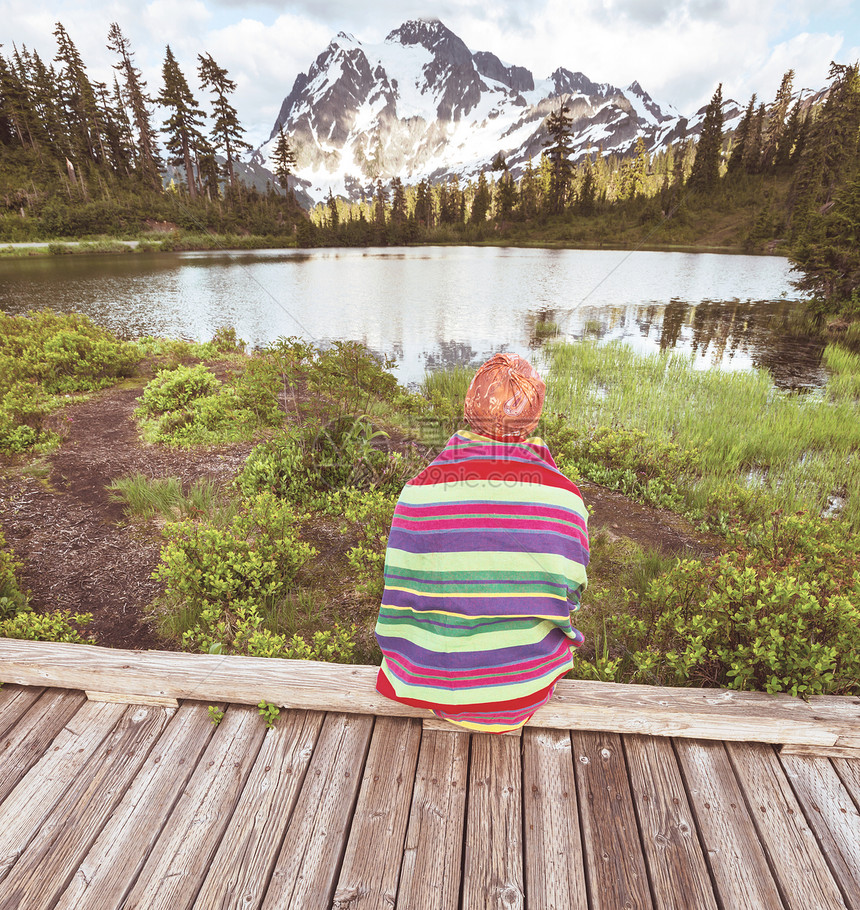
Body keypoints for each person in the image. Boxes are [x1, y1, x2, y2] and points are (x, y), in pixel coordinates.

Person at [374, 352, 589, 733]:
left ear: (469, 408)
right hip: (523, 688)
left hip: (427, 682)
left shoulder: (416, 492)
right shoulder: (566, 499)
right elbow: (569, 597)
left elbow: (401, 589)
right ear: (533, 417)